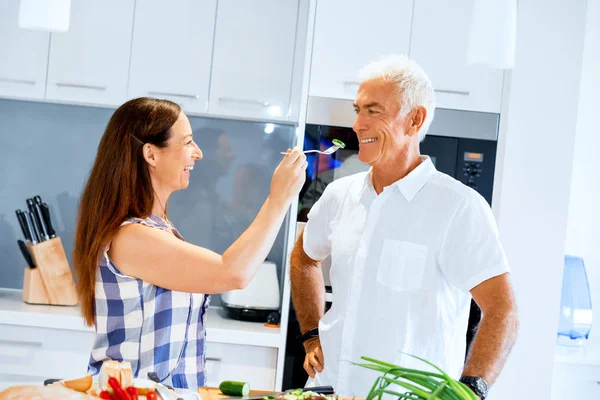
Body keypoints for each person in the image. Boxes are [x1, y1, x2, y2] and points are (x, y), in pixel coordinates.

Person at [290, 55, 519, 399]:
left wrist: (471, 390)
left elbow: (504, 310)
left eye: (374, 111)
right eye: (357, 110)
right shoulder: (340, 195)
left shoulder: (459, 208)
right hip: (328, 388)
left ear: (414, 120)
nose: (357, 124)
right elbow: (304, 257)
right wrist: (311, 335)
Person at [73, 97, 306, 389]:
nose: (198, 153)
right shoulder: (132, 237)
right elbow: (234, 272)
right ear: (151, 154)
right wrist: (279, 198)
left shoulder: (159, 229)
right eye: (187, 142)